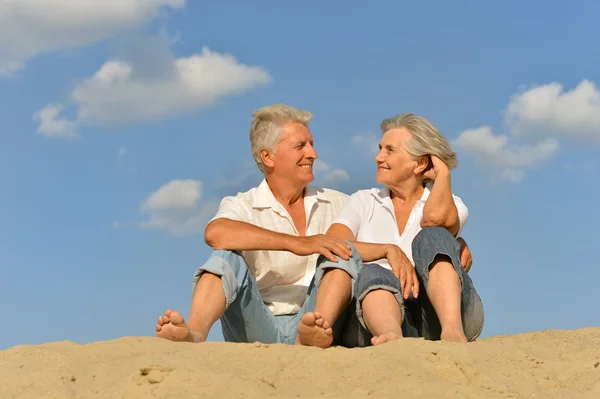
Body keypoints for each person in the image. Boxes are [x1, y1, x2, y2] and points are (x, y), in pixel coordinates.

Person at [155, 104, 358, 345]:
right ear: (268, 157)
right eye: (300, 146)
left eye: (312, 144)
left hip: (318, 324)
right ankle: (194, 336)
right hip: (256, 325)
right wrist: (298, 243)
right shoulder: (243, 204)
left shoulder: (339, 203)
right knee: (225, 258)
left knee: (344, 251)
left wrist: (390, 249)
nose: (313, 153)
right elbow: (215, 233)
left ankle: (311, 336)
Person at [301, 113, 484, 347]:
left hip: (439, 316)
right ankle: (391, 338)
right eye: (380, 148)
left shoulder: (453, 204)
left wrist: (443, 174)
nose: (378, 157)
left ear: (420, 163)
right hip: (376, 314)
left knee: (433, 236)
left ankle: (453, 332)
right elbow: (333, 244)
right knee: (374, 272)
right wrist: (386, 250)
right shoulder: (363, 200)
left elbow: (434, 221)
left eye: (390, 150)